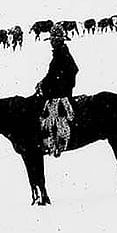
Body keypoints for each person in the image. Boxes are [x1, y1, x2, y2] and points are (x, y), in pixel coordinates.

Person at [35, 24, 78, 157]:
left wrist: (52, 87)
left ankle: (57, 144)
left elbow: (69, 73)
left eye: (54, 40)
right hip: (56, 92)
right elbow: (51, 75)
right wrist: (42, 83)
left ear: (60, 40)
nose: (52, 43)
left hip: (61, 95)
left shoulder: (62, 54)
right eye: (52, 40)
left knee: (54, 117)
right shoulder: (59, 54)